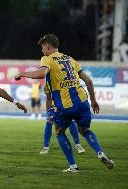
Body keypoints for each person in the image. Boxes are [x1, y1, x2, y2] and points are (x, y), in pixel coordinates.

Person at [15, 34, 114, 172]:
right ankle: (100, 152)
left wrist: (22, 74)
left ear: (48, 46)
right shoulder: (70, 59)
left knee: (59, 132)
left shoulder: (47, 58)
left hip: (65, 104)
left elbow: (42, 73)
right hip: (82, 101)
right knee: (84, 130)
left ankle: (73, 167)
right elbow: (89, 81)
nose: (42, 50)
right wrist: (94, 101)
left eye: (43, 47)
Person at [40, 82, 85, 155]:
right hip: (54, 107)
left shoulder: (64, 80)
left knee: (71, 122)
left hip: (65, 106)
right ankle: (46, 147)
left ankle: (78, 145)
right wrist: (48, 112)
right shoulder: (48, 83)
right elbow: (48, 98)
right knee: (49, 122)